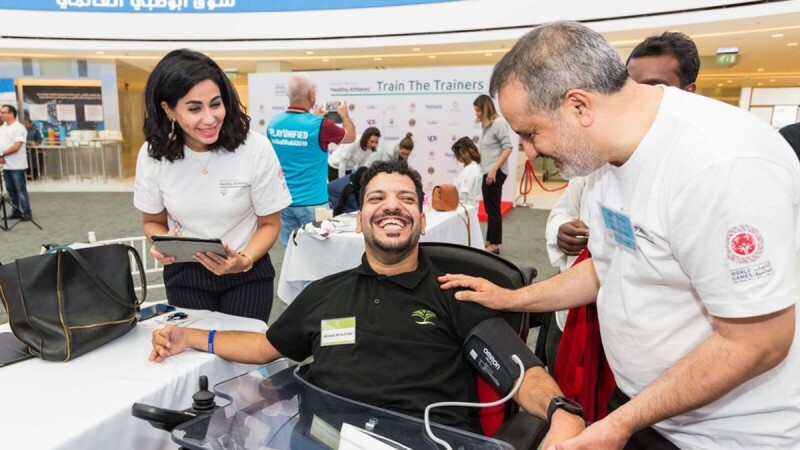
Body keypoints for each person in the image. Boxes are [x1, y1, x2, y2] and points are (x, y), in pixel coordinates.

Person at [440, 21, 800, 449]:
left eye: (530, 133)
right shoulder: (602, 156)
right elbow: (608, 266)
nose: (530, 152)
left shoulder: (719, 164)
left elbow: (760, 340)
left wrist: (618, 424)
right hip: (648, 406)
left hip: (725, 433)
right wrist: (511, 298)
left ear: (578, 106)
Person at [149, 160, 586, 447]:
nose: (391, 207)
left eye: (406, 200)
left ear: (420, 219)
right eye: (377, 199)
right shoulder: (325, 291)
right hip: (324, 438)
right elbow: (265, 349)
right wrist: (189, 336)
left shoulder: (456, 290)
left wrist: (559, 411)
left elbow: (518, 369)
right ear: (359, 219)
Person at [541, 32, 702, 376]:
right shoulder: (599, 154)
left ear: (688, 93)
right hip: (580, 315)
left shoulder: (699, 169)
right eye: (632, 87)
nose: (637, 100)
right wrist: (561, 231)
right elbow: (564, 210)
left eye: (656, 87)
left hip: (660, 344)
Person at [133, 49, 291, 324]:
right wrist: (162, 242)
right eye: (194, 108)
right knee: (194, 356)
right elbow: (151, 221)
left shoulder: (254, 148)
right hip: (186, 275)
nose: (209, 118)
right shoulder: (153, 155)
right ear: (168, 109)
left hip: (247, 273)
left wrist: (243, 260)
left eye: (215, 104)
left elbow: (270, 224)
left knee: (244, 359)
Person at [267, 73, 355, 247]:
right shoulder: (321, 125)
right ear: (311, 95)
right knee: (322, 249)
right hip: (316, 204)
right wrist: (344, 115)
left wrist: (314, 117)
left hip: (284, 202)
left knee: (290, 249)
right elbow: (350, 137)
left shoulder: (274, 123)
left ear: (288, 96)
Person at [474, 94, 513, 255]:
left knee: (494, 209)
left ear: (485, 108)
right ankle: (491, 240)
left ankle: (495, 244)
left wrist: (494, 169)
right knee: (491, 209)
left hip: (495, 173)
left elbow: (508, 147)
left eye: (478, 110)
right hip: (488, 172)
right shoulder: (487, 126)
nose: (476, 113)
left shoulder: (499, 124)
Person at [0, 105, 33, 221]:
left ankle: (27, 212)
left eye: (3, 112)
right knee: (10, 190)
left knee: (20, 189)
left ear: (11, 114)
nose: (1, 114)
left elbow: (16, 147)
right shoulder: (2, 128)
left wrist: (1, 154)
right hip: (6, 164)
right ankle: (16, 211)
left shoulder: (19, 128)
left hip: (17, 165)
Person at [451, 136, 483, 208]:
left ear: (463, 152)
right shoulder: (474, 167)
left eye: (457, 154)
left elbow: (463, 193)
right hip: (469, 208)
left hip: (466, 208)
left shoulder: (470, 170)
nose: (456, 157)